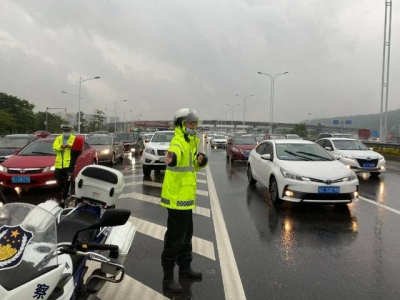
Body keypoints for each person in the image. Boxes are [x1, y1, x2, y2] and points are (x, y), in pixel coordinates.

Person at [160, 108, 208, 293]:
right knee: (174, 238)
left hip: (186, 198)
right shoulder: (178, 141)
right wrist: (171, 159)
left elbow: (193, 167)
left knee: (187, 235)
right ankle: (167, 278)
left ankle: (185, 268)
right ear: (180, 124)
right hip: (175, 198)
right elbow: (173, 155)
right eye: (190, 123)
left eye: (195, 123)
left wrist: (201, 160)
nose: (194, 126)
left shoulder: (191, 142)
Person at [52, 124, 76, 202]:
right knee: (56, 177)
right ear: (63, 131)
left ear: (70, 131)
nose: (66, 132)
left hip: (68, 163)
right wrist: (60, 147)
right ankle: (62, 188)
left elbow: (77, 149)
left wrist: (70, 147)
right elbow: (54, 148)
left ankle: (67, 194)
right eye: (65, 131)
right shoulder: (58, 138)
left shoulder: (74, 138)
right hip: (59, 163)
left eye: (67, 131)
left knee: (68, 179)